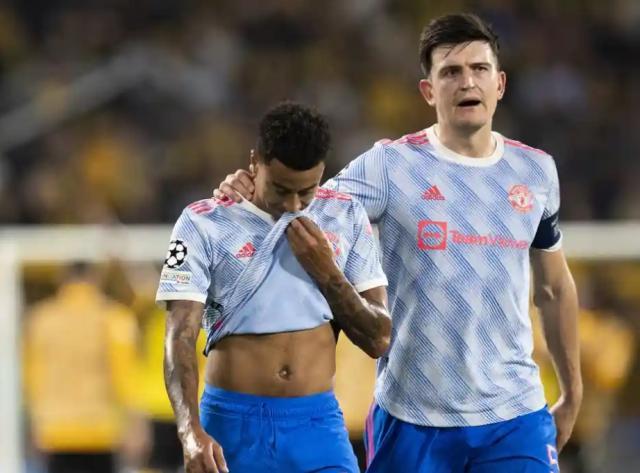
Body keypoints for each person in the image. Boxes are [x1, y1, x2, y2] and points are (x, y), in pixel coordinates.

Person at [214, 13, 582, 472]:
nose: (467, 82)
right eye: (451, 72)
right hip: (412, 417)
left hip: (514, 416)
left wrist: (572, 392)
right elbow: (300, 208)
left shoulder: (536, 172)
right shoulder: (389, 166)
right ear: (429, 90)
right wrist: (249, 190)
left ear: (500, 83)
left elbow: (553, 288)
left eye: (479, 69)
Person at [157, 101, 390, 473]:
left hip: (317, 428)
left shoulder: (344, 215)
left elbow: (378, 338)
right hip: (231, 428)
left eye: (306, 191)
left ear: (322, 172)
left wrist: (327, 272)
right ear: (256, 162)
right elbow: (179, 336)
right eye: (280, 190)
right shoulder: (204, 222)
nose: (293, 205)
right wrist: (189, 431)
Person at [23, 262, 143, 473]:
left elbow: (33, 378)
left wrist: (34, 423)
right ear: (96, 278)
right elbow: (124, 377)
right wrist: (135, 423)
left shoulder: (41, 320)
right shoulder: (114, 318)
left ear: (62, 279)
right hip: (101, 429)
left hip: (56, 429)